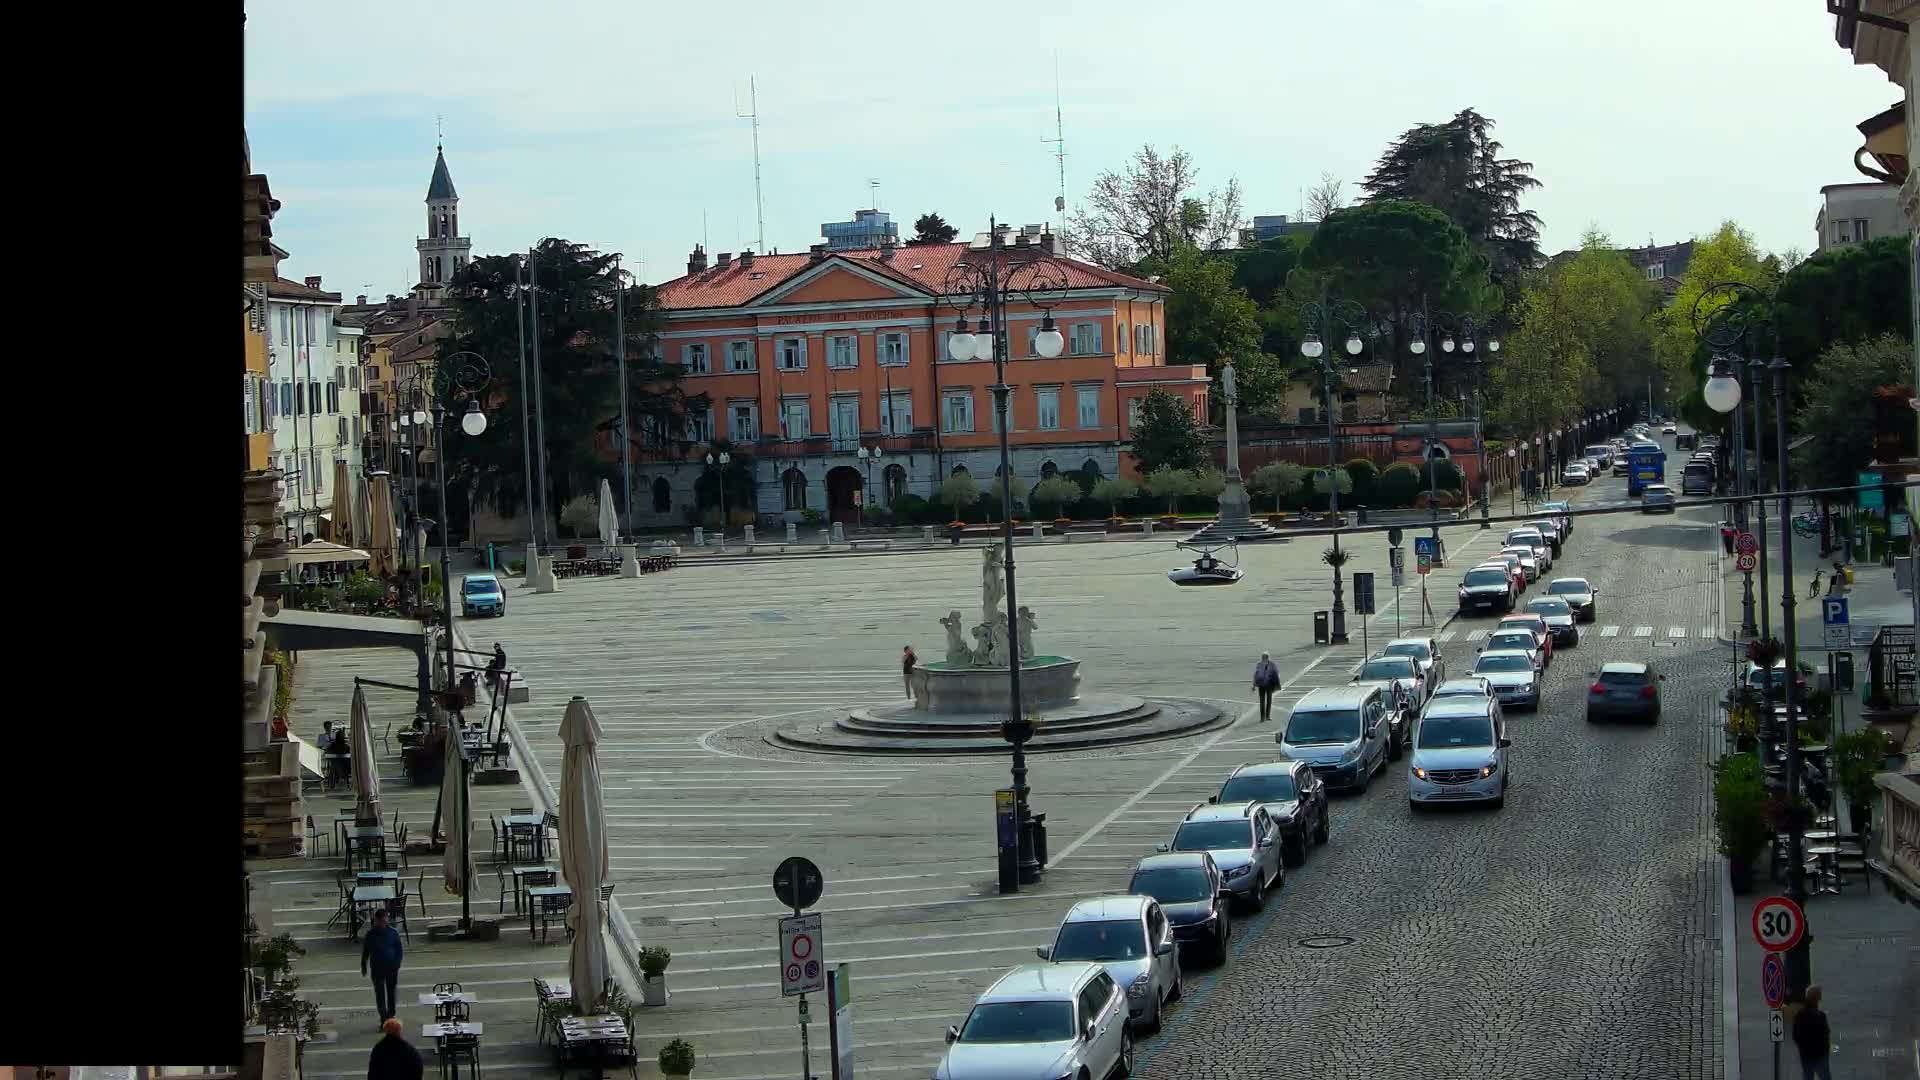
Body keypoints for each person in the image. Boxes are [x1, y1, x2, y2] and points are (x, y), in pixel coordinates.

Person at [360, 907, 404, 1024]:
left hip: (391, 967)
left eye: (385, 921)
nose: (383, 923)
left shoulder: (393, 933)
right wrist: (363, 965)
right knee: (379, 994)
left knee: (391, 992)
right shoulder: (370, 934)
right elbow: (366, 951)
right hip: (377, 968)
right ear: (376, 921)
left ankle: (391, 1014)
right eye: (380, 921)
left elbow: (399, 950)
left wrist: (397, 963)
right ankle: (384, 1017)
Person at [1791, 985, 1832, 1080]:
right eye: (1819, 996)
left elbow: (1826, 1032)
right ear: (1814, 997)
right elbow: (1797, 1035)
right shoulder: (1804, 1015)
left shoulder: (1818, 1015)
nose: (1820, 999)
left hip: (1812, 1055)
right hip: (1814, 1055)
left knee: (1809, 1077)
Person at [1252, 652, 1280, 722]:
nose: (1262, 659)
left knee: (1269, 701)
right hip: (1261, 685)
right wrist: (1254, 685)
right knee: (1262, 702)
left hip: (1269, 685)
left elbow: (1276, 673)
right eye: (1262, 658)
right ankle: (1262, 717)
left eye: (1264, 658)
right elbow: (1256, 674)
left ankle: (1267, 716)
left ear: (1267, 658)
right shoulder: (1259, 664)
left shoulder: (1272, 665)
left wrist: (1276, 684)